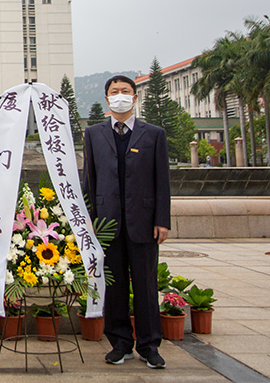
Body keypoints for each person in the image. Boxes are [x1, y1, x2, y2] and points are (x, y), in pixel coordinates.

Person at [82, 75, 171, 369]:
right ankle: (120, 344)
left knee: (146, 286)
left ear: (134, 97)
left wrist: (162, 220)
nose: (120, 95)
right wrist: (90, 218)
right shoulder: (93, 134)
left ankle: (149, 345)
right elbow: (89, 179)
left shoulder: (153, 134)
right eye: (114, 91)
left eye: (125, 91)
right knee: (115, 286)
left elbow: (162, 181)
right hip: (107, 223)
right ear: (107, 98)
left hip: (143, 222)